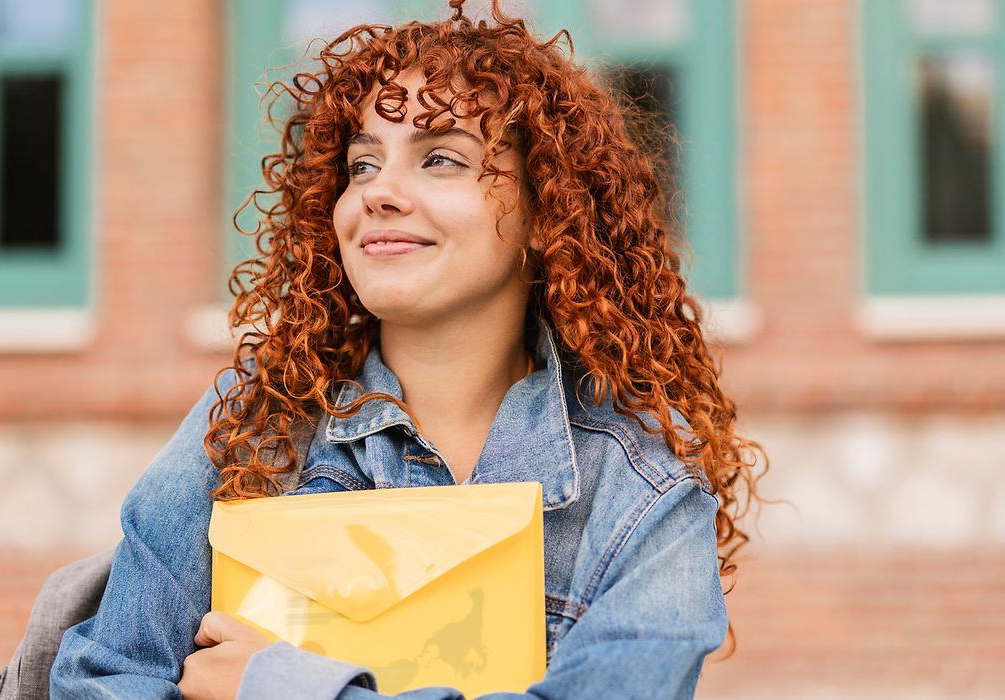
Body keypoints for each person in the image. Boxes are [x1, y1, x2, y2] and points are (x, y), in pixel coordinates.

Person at [50, 2, 765, 698]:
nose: (380, 193)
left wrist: (281, 685)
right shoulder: (252, 427)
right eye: (362, 166)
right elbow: (106, 678)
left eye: (442, 159)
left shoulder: (644, 490)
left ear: (548, 212)